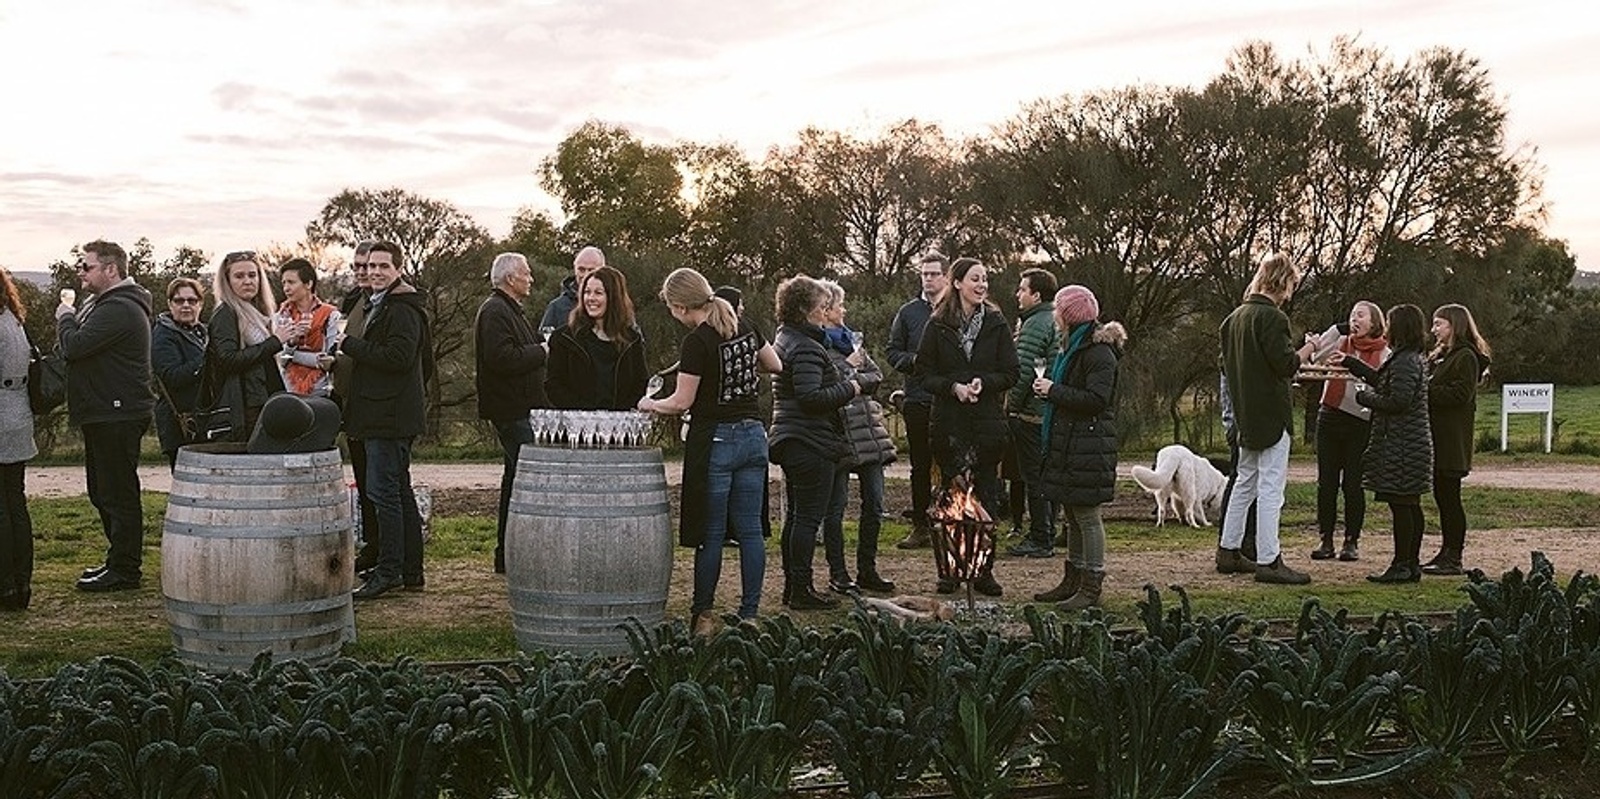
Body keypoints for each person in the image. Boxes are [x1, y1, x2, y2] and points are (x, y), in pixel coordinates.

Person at [639, 268, 780, 633]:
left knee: (711, 532)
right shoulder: (744, 324)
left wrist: (650, 404)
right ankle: (749, 613)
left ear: (681, 306)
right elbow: (775, 365)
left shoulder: (697, 342)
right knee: (750, 530)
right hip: (753, 436)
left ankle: (703, 615)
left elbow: (682, 400)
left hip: (716, 439)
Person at [57, 240, 157, 593]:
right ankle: (118, 561)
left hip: (117, 411)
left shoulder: (119, 308)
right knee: (103, 491)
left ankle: (126, 570)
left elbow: (74, 347)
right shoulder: (105, 305)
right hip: (105, 410)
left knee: (117, 492)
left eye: (87, 267)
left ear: (111, 269)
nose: (81, 273)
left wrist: (65, 316)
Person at [916, 256, 1017, 596]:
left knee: (986, 499)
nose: (982, 284)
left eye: (985, 279)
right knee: (950, 498)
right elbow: (924, 373)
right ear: (957, 283)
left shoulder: (996, 323)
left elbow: (1011, 372)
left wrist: (983, 383)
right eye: (975, 278)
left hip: (987, 424)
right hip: (949, 425)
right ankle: (949, 570)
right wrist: (953, 387)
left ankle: (983, 569)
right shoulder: (937, 325)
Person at [1217, 251, 1317, 585]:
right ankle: (1269, 559)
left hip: (1245, 414)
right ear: (1284, 282)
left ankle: (1229, 550)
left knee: (1245, 481)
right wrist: (1309, 349)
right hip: (1272, 414)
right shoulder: (1272, 318)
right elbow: (1286, 365)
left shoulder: (1233, 319)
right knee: (1272, 488)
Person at [340, 241, 431, 599]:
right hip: (381, 413)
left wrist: (349, 345)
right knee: (399, 492)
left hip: (390, 416)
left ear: (397, 269)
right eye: (371, 266)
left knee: (384, 494)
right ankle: (411, 571)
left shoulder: (402, 309)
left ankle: (390, 570)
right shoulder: (383, 304)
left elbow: (398, 357)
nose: (375, 272)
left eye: (383, 266)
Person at [770, 275, 868, 609]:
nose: (826, 311)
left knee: (798, 517)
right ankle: (801, 589)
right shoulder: (808, 346)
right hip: (809, 440)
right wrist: (851, 388)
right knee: (808, 519)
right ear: (804, 309)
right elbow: (811, 397)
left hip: (792, 437)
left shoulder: (785, 338)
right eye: (821, 305)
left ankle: (795, 587)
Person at [1029, 285, 1126, 610]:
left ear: (1068, 315)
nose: (1054, 315)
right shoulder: (1073, 347)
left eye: (1058, 309)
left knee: (1087, 515)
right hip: (1072, 443)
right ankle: (1073, 579)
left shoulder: (1097, 352)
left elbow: (1097, 400)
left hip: (1089, 444)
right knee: (1072, 513)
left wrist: (1054, 391)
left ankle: (1091, 584)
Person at [1341, 304, 1434, 583]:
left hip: (1403, 445)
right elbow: (1385, 381)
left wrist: (1364, 398)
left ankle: (1402, 563)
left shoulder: (1405, 361)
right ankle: (1410, 563)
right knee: (1409, 505)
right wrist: (1353, 364)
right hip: (1409, 443)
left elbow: (1398, 401)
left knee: (1402, 506)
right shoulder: (1408, 358)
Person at [817, 279, 898, 594]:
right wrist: (852, 374)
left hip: (868, 436)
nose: (844, 309)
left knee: (874, 504)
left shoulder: (851, 340)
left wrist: (853, 377)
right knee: (834, 508)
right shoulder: (817, 346)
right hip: (838, 435)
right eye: (839, 304)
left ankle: (868, 569)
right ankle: (838, 573)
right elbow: (826, 387)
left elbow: (876, 376)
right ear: (825, 310)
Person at [474, 252, 549, 574]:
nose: (530, 279)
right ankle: (519, 553)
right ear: (510, 279)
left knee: (514, 481)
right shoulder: (495, 312)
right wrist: (543, 350)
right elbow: (502, 358)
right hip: (511, 409)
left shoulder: (508, 310)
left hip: (520, 408)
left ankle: (508, 554)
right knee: (527, 483)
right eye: (526, 273)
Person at [1306, 301, 1390, 562]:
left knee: (1353, 484)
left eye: (1361, 315)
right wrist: (1335, 330)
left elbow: (1382, 382)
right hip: (1330, 415)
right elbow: (1316, 357)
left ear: (1374, 322)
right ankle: (1326, 538)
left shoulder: (1385, 352)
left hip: (1360, 421)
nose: (1355, 319)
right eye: (1352, 315)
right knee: (1326, 483)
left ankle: (1351, 540)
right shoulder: (1341, 340)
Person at [1421, 303, 1492, 575]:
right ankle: (1446, 551)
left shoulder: (1465, 358)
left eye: (1439, 324)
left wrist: (1425, 392)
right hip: (1440, 436)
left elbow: (1459, 395)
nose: (1434, 329)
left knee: (1450, 498)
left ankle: (1454, 555)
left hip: (1452, 439)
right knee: (1443, 496)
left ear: (1455, 326)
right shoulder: (1444, 356)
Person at [887, 252, 949, 548]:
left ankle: (952, 523)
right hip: (918, 398)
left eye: (934, 273)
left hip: (952, 400)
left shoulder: (959, 310)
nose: (928, 279)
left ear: (947, 277)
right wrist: (918, 362)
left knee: (953, 464)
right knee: (919, 466)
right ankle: (921, 526)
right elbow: (893, 352)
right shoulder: (908, 312)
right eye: (924, 274)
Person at [207, 250, 296, 438]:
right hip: (245, 406)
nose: (247, 281)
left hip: (263, 399)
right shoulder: (226, 313)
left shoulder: (257, 312)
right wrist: (275, 342)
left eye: (252, 275)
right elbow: (228, 359)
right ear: (227, 281)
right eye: (239, 276)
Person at [1004, 267, 1060, 559]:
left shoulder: (1036, 323)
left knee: (1033, 477)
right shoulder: (1053, 318)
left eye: (1022, 289)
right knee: (1047, 475)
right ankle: (1048, 530)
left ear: (1036, 295)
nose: (1018, 294)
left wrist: (1011, 407)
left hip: (1032, 414)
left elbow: (1024, 371)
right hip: (1048, 411)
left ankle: (1040, 537)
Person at [333, 242, 379, 574]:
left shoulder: (387, 304)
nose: (362, 272)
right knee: (363, 483)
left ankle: (384, 551)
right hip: (351, 404)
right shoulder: (353, 302)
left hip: (377, 407)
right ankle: (371, 546)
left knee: (382, 485)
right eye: (357, 267)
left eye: (368, 266)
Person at [546, 265, 648, 410]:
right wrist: (585, 415)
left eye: (598, 293)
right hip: (577, 427)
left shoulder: (632, 339)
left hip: (618, 428)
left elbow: (640, 383)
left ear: (613, 297)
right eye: (587, 292)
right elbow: (553, 385)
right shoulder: (563, 338)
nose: (591, 298)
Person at [0, 269, 37, 610]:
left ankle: (6, 586)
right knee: (15, 501)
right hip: (17, 411)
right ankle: (20, 583)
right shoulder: (12, 318)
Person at [151, 278, 210, 469]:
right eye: (179, 301)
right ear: (170, 304)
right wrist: (207, 359)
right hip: (180, 424)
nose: (186, 305)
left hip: (204, 421)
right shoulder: (163, 334)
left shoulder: (203, 333)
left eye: (192, 301)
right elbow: (172, 376)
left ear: (200, 304)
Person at [276, 257, 340, 398]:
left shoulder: (330, 315)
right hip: (288, 390)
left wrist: (291, 355)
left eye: (291, 282)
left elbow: (328, 361)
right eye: (284, 283)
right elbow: (280, 359)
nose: (286, 288)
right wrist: (293, 342)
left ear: (308, 284)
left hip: (320, 391)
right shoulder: (282, 315)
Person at [540, 245, 605, 331]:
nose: (586, 275)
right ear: (575, 270)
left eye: (591, 270)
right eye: (581, 270)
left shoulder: (616, 305)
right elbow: (544, 340)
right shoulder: (557, 308)